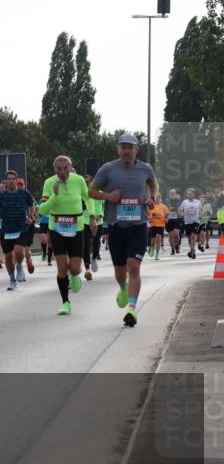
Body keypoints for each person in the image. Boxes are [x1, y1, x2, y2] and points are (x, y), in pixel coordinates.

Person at [89, 133, 158, 327]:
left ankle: (131, 309)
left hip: (138, 226)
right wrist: (109, 196)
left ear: (137, 149)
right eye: (123, 147)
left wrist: (152, 198)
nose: (127, 151)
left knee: (134, 267)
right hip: (116, 227)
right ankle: (122, 286)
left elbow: (153, 184)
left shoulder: (145, 168)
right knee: (120, 272)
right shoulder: (108, 169)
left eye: (130, 147)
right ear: (118, 149)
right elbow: (91, 191)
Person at [38, 156, 94, 316]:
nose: (62, 172)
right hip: (56, 228)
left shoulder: (78, 180)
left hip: (76, 227)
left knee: (75, 269)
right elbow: (43, 210)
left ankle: (75, 275)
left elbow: (88, 198)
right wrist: (55, 195)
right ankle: (65, 303)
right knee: (62, 268)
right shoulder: (49, 183)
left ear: (70, 167)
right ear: (55, 169)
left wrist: (92, 216)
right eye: (59, 169)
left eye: (65, 168)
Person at [0, 170, 35, 290]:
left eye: (13, 178)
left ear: (16, 181)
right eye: (9, 179)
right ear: (6, 181)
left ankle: (20, 266)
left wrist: (31, 217)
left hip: (21, 228)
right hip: (6, 229)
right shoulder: (1, 195)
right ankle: (12, 280)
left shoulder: (24, 193)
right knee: (8, 256)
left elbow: (32, 205)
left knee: (18, 252)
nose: (11, 181)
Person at [178, 188, 202, 260]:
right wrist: (183, 214)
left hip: (196, 221)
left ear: (194, 194)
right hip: (187, 222)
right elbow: (180, 210)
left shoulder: (198, 202)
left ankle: (192, 250)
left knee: (193, 236)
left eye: (190, 194)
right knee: (189, 238)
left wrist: (201, 215)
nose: (189, 195)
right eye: (188, 194)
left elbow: (201, 210)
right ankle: (191, 249)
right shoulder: (184, 202)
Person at [146, 194, 169, 260]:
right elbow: (146, 214)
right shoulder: (150, 206)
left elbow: (167, 214)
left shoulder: (163, 206)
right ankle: (152, 249)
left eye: (158, 197)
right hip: (152, 225)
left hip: (160, 225)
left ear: (160, 198)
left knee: (158, 239)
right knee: (153, 241)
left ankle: (157, 255)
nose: (157, 199)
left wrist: (167, 219)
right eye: (156, 197)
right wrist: (149, 218)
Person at [164, 188, 183, 255]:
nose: (172, 194)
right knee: (171, 236)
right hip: (169, 220)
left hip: (176, 219)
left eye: (173, 193)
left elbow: (180, 210)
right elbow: (164, 210)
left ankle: (177, 245)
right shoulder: (166, 201)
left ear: (175, 194)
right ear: (169, 194)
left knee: (176, 234)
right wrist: (165, 217)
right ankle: (172, 249)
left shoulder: (178, 201)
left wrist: (180, 212)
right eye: (171, 193)